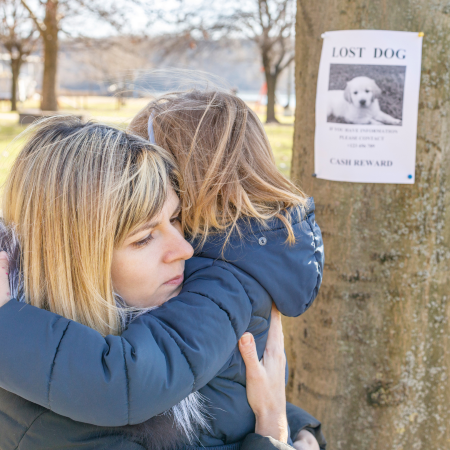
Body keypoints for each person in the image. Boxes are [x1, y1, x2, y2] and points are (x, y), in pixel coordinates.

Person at [0, 90, 324, 448]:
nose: (185, 250)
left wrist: (297, 425)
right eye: (143, 239)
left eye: (176, 219)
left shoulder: (161, 313)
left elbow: (221, 402)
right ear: (78, 257)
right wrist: (272, 431)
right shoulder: (74, 409)